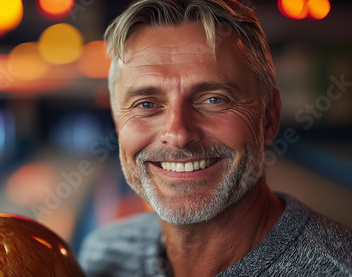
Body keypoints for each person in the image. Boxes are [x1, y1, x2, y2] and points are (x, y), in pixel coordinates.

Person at [78, 0, 352, 276]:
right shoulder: (102, 254)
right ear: (117, 122)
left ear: (268, 118)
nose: (178, 134)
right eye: (146, 104)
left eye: (213, 99)